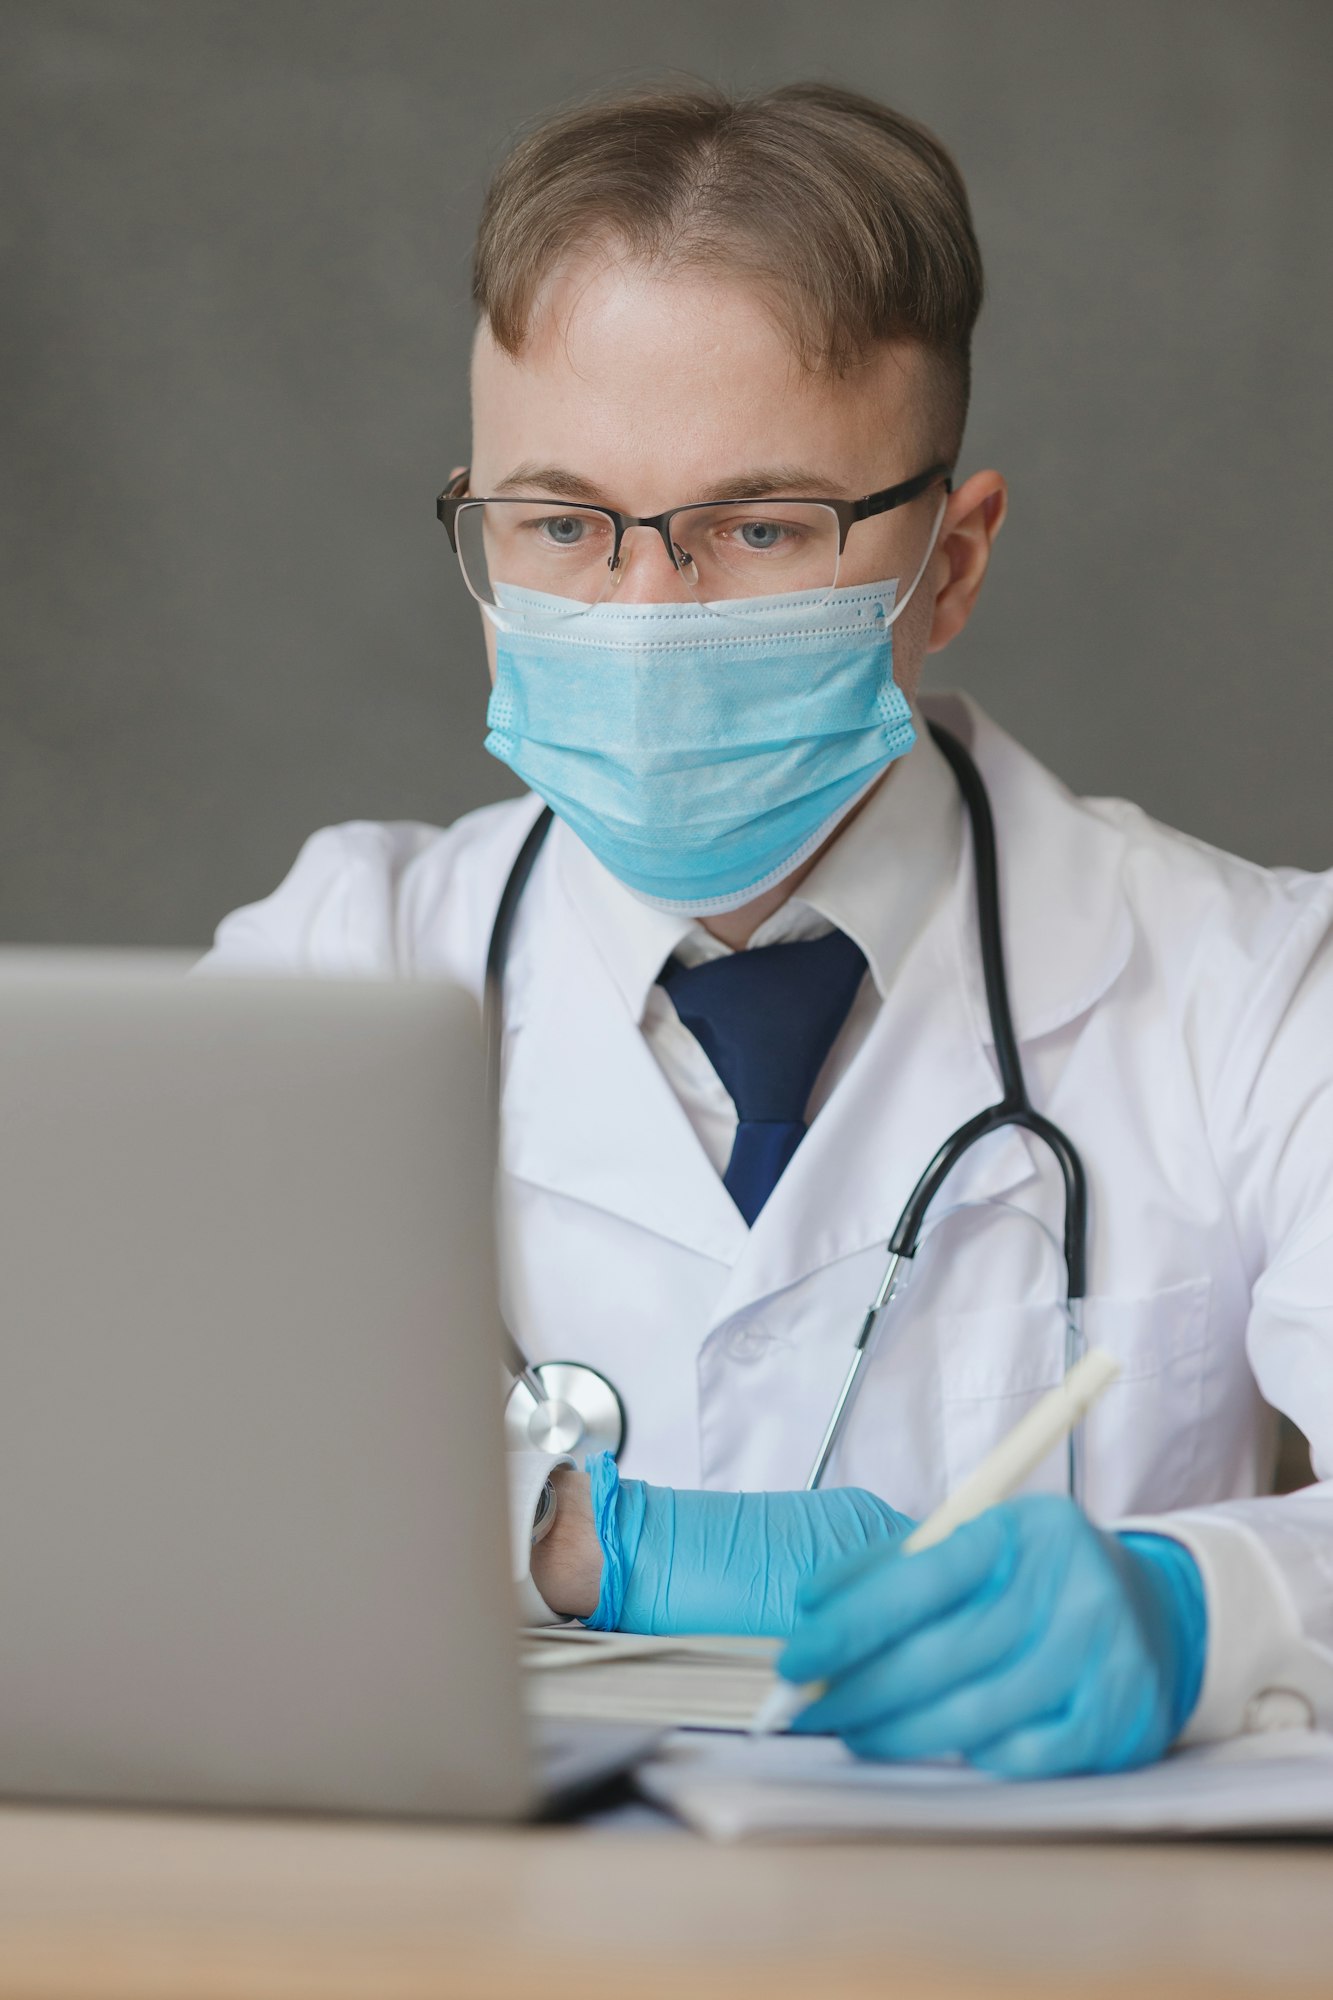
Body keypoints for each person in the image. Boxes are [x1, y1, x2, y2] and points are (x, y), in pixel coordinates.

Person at [202, 81, 1333, 1777]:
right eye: (565, 523)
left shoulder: (1251, 990)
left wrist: (1202, 1610)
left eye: (758, 527)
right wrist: (565, 1533)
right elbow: (87, 1469)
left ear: (944, 564)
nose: (644, 614)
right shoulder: (336, 962)